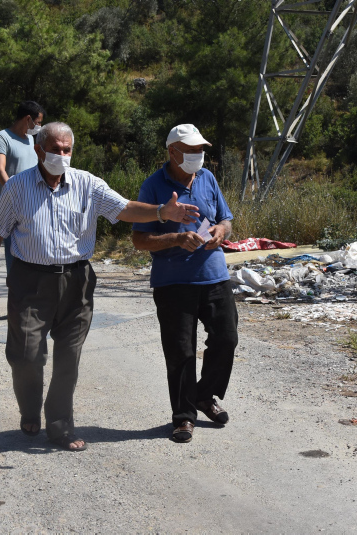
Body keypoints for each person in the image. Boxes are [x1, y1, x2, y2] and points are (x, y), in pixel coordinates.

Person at [0, 122, 199, 452]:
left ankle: (60, 424)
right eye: (54, 149)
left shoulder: (88, 184)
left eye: (66, 150)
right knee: (26, 355)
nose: (61, 155)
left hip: (77, 281)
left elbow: (124, 208)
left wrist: (162, 211)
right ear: (38, 150)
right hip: (29, 282)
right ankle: (30, 407)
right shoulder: (17, 188)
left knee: (69, 356)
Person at [132, 124, 238, 443]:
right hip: (173, 282)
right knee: (180, 350)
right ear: (172, 151)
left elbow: (226, 219)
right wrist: (177, 238)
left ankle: (205, 397)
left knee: (226, 338)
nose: (197, 155)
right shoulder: (153, 186)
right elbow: (139, 239)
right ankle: (183, 417)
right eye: (190, 150)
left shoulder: (208, 179)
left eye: (200, 149)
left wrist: (221, 231)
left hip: (214, 274)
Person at [0, 100, 45, 274]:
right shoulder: (2, 137)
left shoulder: (31, 139)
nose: (39, 126)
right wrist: (14, 194)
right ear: (28, 119)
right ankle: (16, 292)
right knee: (14, 256)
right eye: (38, 122)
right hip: (13, 206)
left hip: (34, 204)